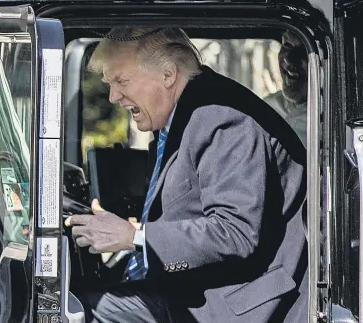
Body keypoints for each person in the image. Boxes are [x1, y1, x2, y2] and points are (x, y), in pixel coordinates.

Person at [67, 27, 308, 323]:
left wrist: (134, 237)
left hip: (235, 304)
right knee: (80, 300)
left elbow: (236, 233)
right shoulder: (185, 113)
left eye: (121, 81)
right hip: (194, 289)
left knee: (76, 311)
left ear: (168, 75)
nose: (114, 96)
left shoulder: (220, 117)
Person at [264, 31, 308, 147]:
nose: (288, 59)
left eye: (305, 51)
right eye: (287, 45)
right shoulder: (265, 106)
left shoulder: (333, 121)